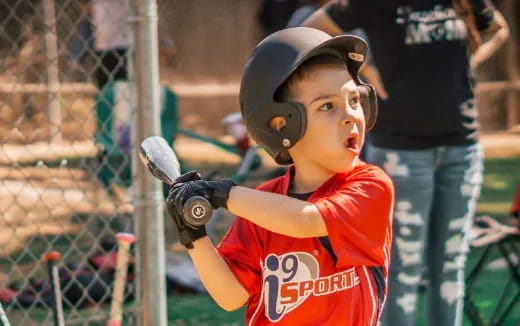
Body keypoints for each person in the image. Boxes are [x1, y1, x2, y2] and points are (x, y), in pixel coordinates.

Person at [165, 27, 394, 325]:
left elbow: (305, 220)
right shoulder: (263, 206)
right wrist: (193, 233)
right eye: (327, 106)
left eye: (354, 100)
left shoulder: (370, 187)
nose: (351, 115)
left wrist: (221, 194)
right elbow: (231, 295)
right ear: (280, 125)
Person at [301, 1, 510, 325]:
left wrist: (471, 62)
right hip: (402, 150)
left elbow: (498, 28)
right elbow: (314, 27)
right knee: (403, 265)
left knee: (451, 264)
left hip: (461, 147)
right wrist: (363, 70)